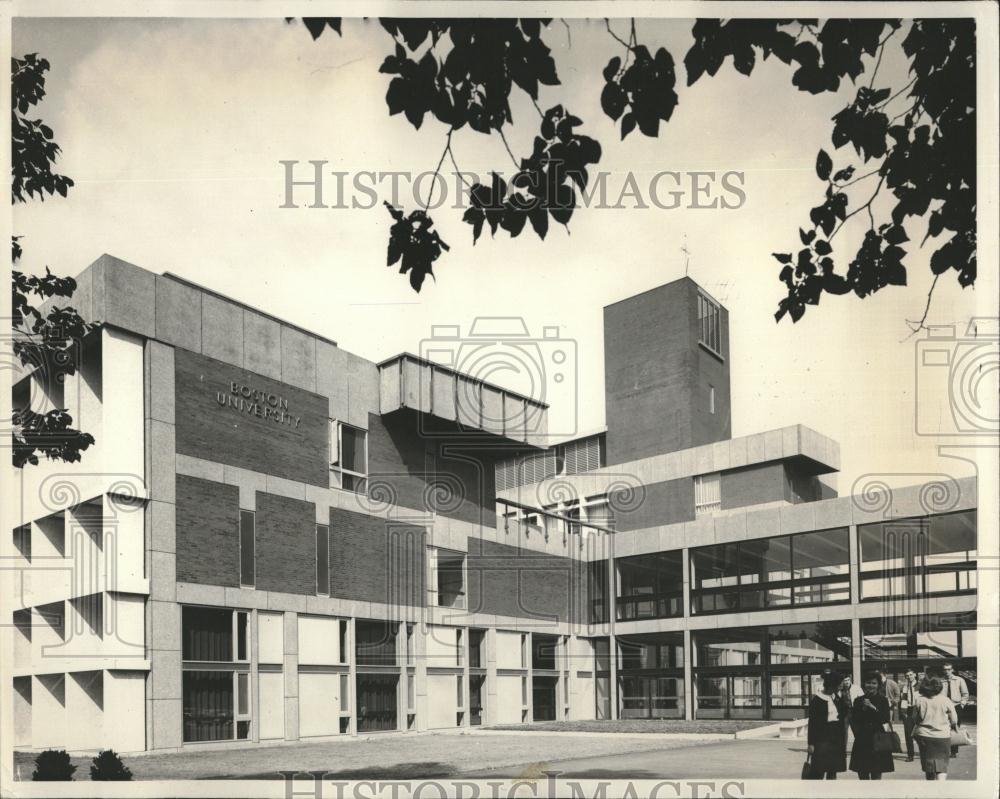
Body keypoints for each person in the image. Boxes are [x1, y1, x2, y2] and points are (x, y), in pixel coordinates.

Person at [849, 673, 895, 779]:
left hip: (878, 738)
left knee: (877, 772)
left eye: (874, 683)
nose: (871, 685)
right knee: (862, 772)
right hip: (862, 739)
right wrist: (863, 709)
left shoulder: (883, 700)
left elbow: (885, 719)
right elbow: (855, 719)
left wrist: (872, 707)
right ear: (864, 684)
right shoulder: (858, 700)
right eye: (868, 683)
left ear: (878, 685)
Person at [913, 675, 959, 780]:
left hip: (924, 736)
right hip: (942, 736)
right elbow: (954, 719)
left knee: (928, 766)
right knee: (941, 766)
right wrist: (953, 726)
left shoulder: (919, 700)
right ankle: (940, 790)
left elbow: (915, 719)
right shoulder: (946, 700)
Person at [806, 670, 847, 780]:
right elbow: (812, 723)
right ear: (832, 684)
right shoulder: (817, 700)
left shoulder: (837, 698)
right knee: (818, 770)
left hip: (836, 739)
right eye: (840, 684)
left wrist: (844, 697)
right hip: (822, 739)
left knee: (833, 771)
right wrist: (811, 743)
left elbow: (843, 714)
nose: (842, 686)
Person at [941, 662, 969, 757]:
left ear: (952, 670)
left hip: (956, 706)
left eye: (949, 669)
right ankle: (945, 750)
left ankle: (953, 751)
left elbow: (965, 694)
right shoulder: (941, 681)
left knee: (955, 727)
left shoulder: (959, 680)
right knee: (944, 728)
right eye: (945, 669)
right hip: (944, 707)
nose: (947, 671)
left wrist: (962, 705)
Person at [899, 668, 920, 762]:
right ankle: (910, 755)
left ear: (914, 675)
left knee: (920, 733)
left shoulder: (920, 685)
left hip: (918, 710)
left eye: (911, 675)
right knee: (908, 734)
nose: (909, 677)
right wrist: (904, 713)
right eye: (907, 675)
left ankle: (924, 752)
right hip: (909, 710)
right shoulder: (905, 687)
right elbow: (903, 700)